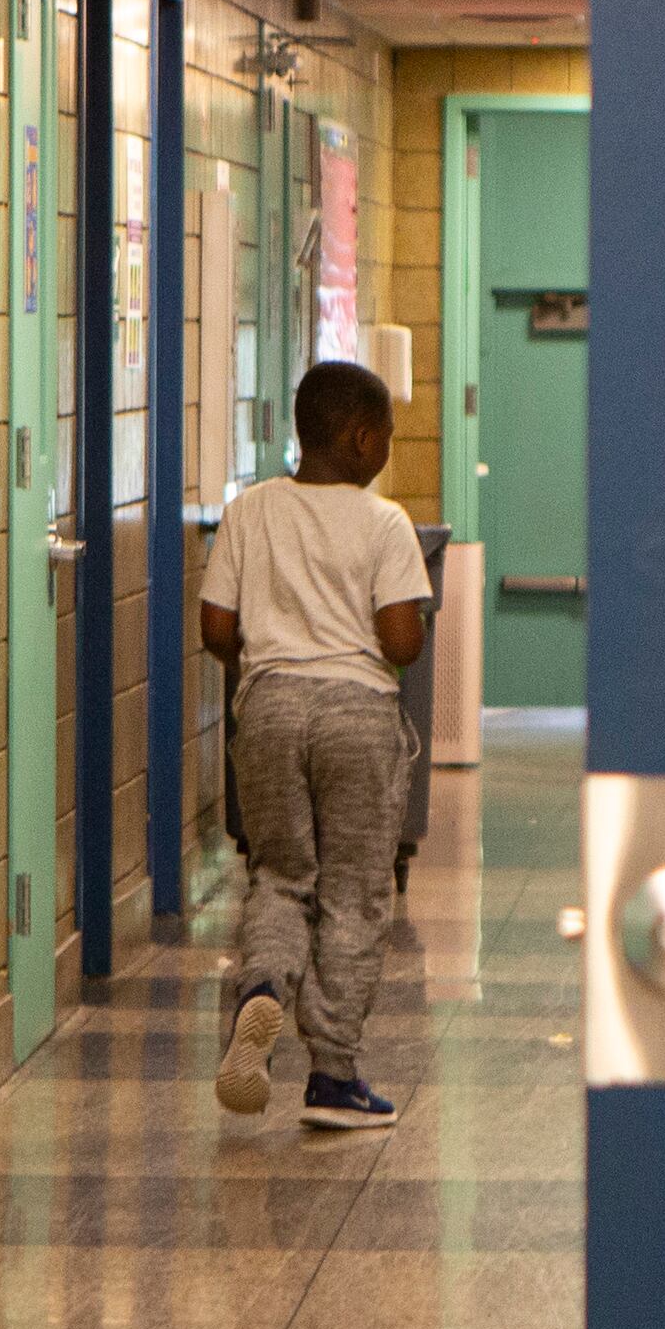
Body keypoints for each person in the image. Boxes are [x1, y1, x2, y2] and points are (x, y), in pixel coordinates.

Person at [200, 359, 434, 1130]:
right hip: (357, 715)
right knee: (355, 890)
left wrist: (276, 661)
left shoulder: (250, 510)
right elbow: (401, 642)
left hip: (268, 707)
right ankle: (333, 1073)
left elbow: (216, 630)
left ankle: (262, 989)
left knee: (281, 874)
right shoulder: (385, 523)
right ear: (362, 439)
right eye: (388, 437)